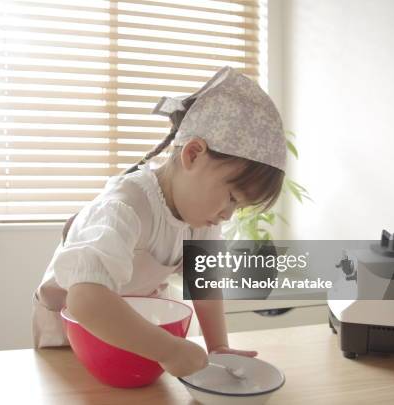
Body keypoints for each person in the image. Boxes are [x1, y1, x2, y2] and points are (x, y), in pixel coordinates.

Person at [31, 65, 287, 378]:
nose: (228, 214)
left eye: (240, 207)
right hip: (74, 336)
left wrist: (217, 346)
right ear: (193, 154)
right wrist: (169, 349)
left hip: (136, 333)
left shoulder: (201, 218)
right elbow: (85, 300)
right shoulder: (124, 206)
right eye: (232, 197)